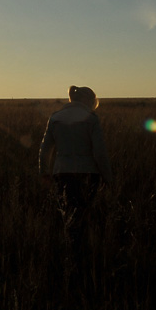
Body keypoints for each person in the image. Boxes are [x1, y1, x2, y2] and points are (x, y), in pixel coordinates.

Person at [38, 86, 112, 242]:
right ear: (88, 100)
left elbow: (45, 150)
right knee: (84, 215)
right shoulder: (91, 118)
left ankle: (69, 248)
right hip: (88, 173)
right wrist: (107, 177)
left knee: (68, 216)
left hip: (62, 173)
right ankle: (83, 251)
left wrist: (44, 172)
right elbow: (100, 153)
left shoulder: (55, 117)